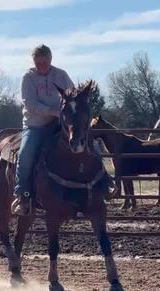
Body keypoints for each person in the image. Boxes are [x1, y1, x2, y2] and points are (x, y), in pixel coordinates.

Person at [12, 44, 116, 216]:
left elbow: (73, 95)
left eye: (44, 63)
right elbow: (30, 104)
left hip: (61, 124)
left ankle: (106, 183)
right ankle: (23, 194)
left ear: (50, 60)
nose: (41, 67)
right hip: (35, 125)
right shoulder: (28, 78)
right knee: (26, 153)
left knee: (91, 144)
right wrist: (55, 111)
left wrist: (73, 111)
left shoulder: (61, 75)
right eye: (38, 63)